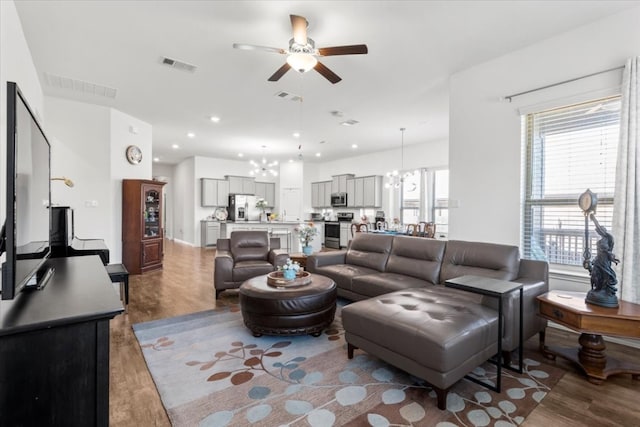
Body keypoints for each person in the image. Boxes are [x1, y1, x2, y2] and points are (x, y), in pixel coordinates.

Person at [585, 213, 619, 307]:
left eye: (601, 230)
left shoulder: (608, 239)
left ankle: (605, 290)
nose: (599, 232)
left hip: (604, 260)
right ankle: (598, 288)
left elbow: (608, 252)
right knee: (596, 273)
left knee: (606, 274)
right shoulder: (600, 241)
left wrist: (594, 219)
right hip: (598, 259)